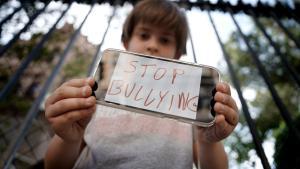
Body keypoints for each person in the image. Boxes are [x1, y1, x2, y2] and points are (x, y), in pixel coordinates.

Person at [44, 0, 239, 168]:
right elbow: (55, 166)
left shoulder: (189, 107)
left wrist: (208, 142)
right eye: (144, 35)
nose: (152, 45)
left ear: (177, 55)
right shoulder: (96, 97)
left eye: (165, 40)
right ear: (126, 43)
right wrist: (68, 138)